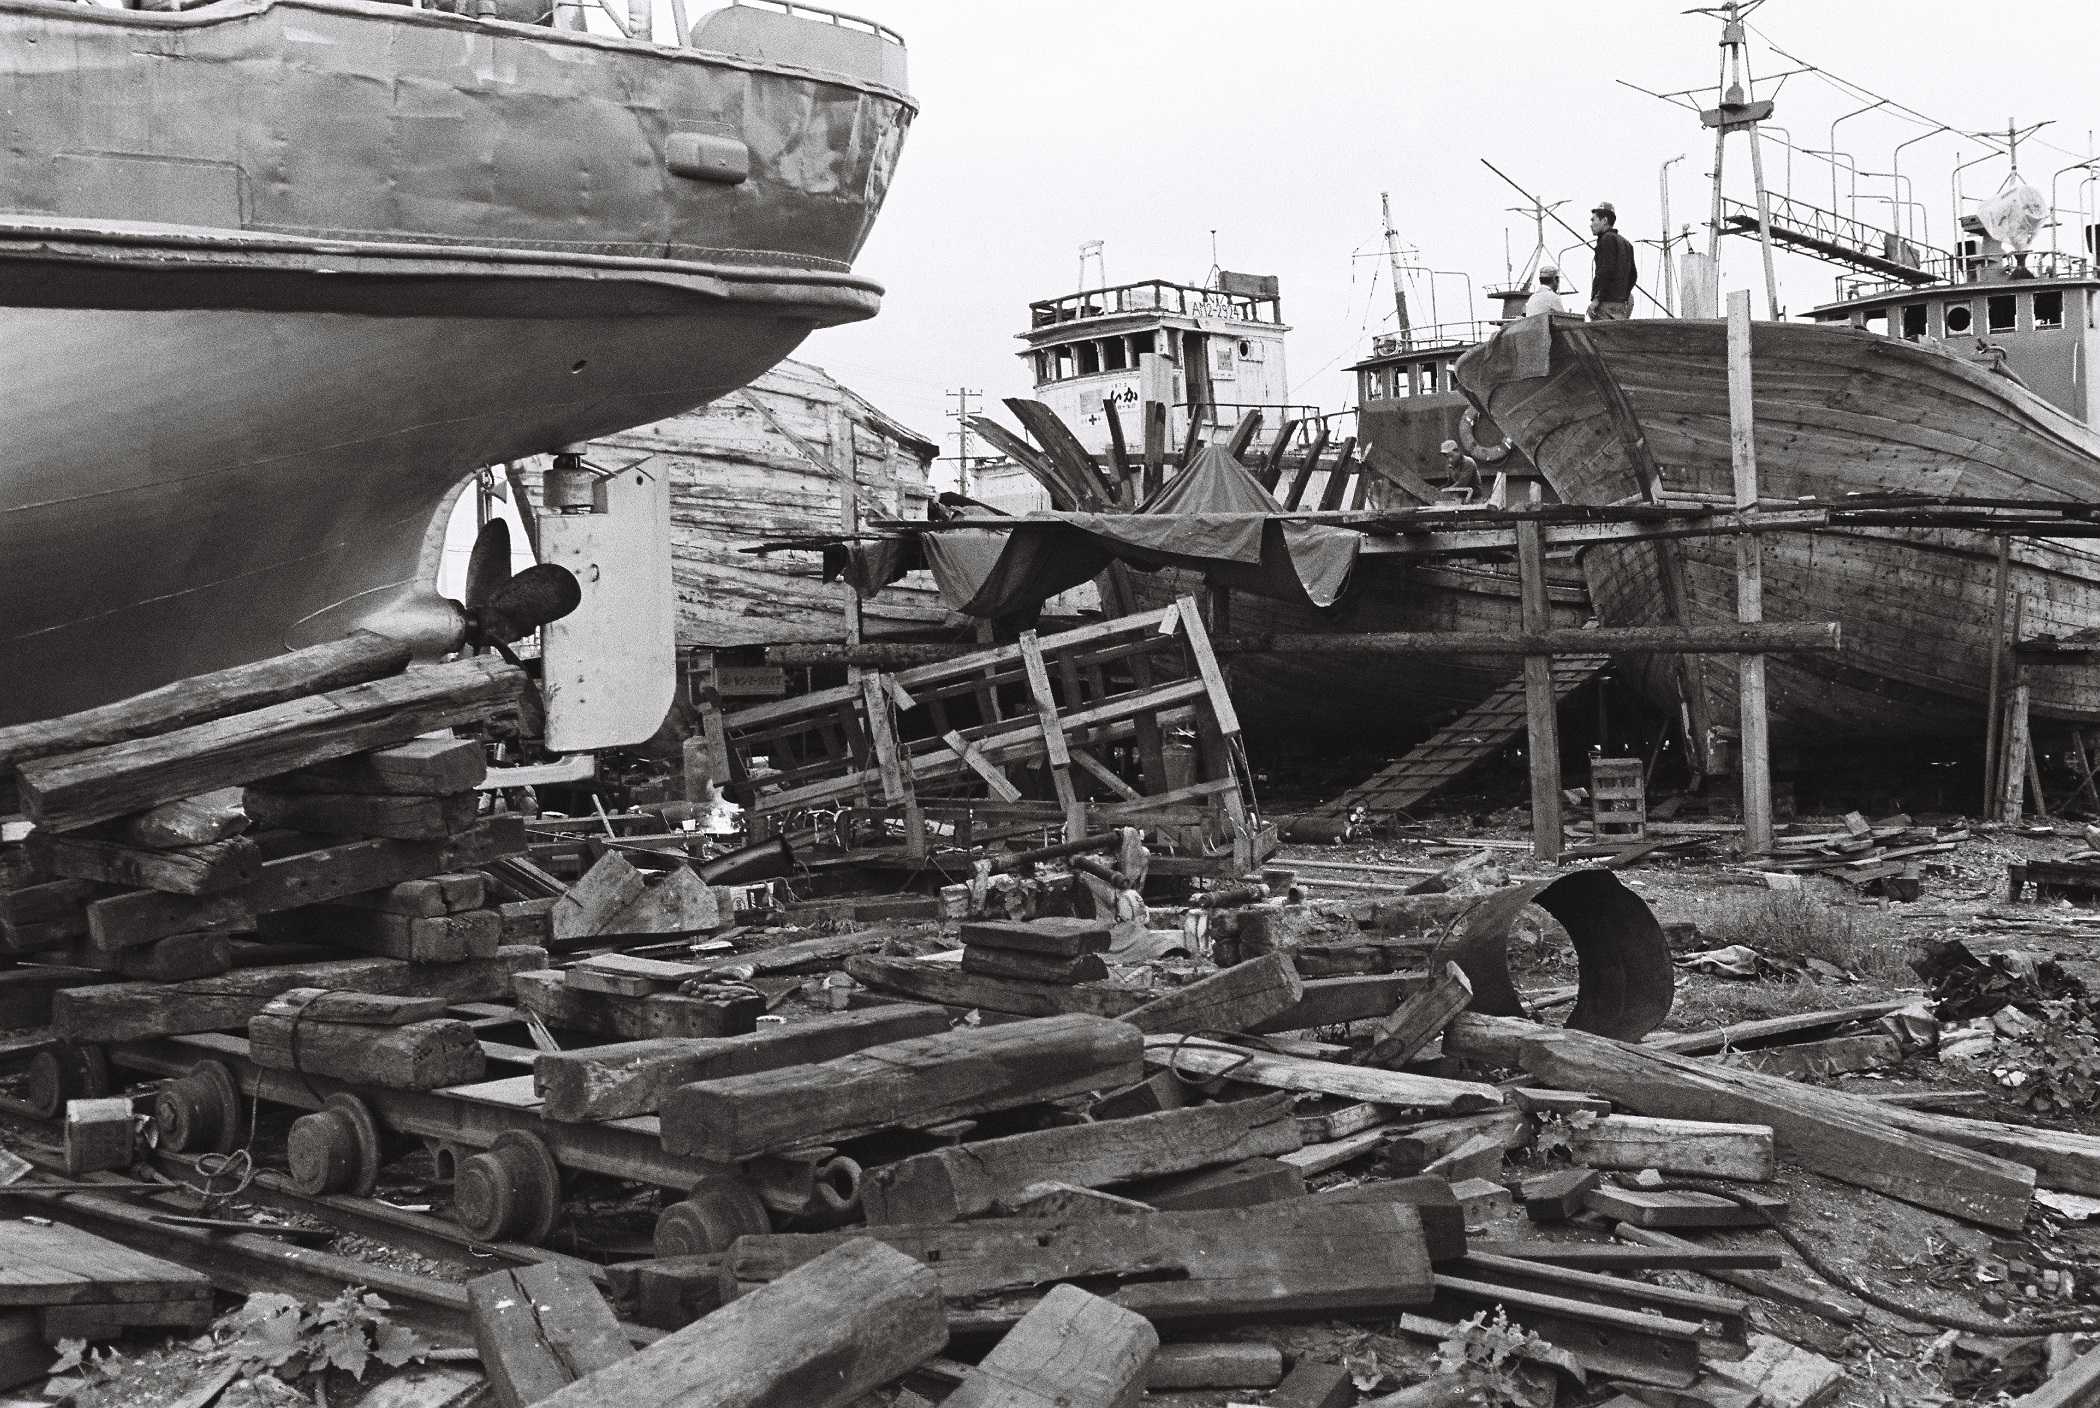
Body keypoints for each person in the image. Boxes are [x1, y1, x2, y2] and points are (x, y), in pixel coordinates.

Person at [1588, 201, 1637, 321]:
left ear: (1604, 221)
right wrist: (1623, 297)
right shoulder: (1627, 244)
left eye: (1593, 220)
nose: (1591, 224)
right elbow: (1633, 276)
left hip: (1604, 306)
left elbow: (1605, 272)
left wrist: (1597, 300)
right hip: (1620, 307)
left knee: (1599, 339)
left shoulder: (1605, 240)